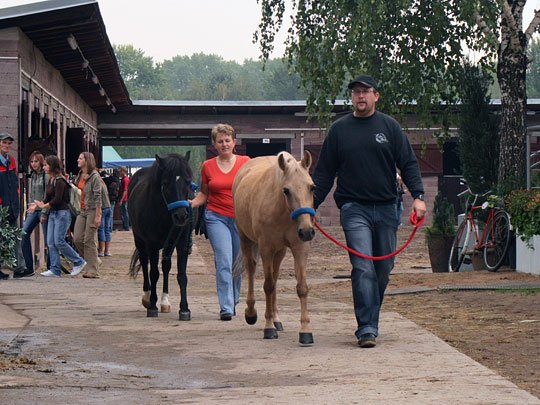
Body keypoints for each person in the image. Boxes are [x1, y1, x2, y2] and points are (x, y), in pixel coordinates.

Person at [312, 75, 427, 348]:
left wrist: (419, 197)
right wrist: (311, 205)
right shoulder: (339, 130)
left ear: (376, 96)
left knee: (383, 268)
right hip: (354, 208)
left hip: (388, 207)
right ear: (352, 98)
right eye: (356, 93)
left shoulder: (389, 127)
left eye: (365, 92)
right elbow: (324, 171)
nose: (360, 97)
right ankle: (366, 328)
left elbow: (408, 163)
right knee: (363, 266)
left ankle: (370, 318)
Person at [189, 123, 250, 321]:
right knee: (223, 260)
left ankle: (233, 299)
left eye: (227, 140)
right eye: (220, 141)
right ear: (214, 144)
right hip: (216, 217)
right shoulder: (207, 166)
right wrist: (192, 203)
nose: (224, 144)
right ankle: (226, 306)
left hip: (241, 219)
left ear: (234, 142)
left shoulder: (246, 162)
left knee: (237, 264)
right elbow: (204, 193)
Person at [35, 155, 86, 277]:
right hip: (53, 213)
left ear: (52, 166)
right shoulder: (51, 180)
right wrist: (38, 204)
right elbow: (48, 197)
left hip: (62, 213)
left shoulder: (60, 181)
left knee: (58, 240)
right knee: (51, 242)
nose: (44, 167)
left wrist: (44, 206)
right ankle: (55, 268)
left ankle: (78, 261)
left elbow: (57, 199)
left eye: (46, 165)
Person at [0, 132, 28, 280]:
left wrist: (16, 200)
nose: (7, 145)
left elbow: (16, 184)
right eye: (4, 142)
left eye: (9, 143)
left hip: (12, 205)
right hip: (1, 206)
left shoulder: (11, 160)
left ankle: (19, 267)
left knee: (15, 236)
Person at [20, 151, 50, 278]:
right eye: (32, 161)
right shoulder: (32, 175)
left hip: (43, 209)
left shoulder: (46, 175)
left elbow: (47, 195)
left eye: (36, 161)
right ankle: (29, 266)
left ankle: (51, 267)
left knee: (49, 239)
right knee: (24, 234)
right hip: (33, 209)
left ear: (41, 161)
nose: (33, 164)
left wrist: (43, 211)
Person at [73, 152, 102, 278]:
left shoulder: (95, 176)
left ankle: (93, 271)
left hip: (92, 209)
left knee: (89, 239)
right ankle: (94, 261)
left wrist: (98, 215)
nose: (78, 160)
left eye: (80, 158)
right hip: (82, 210)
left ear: (87, 160)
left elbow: (98, 196)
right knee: (77, 238)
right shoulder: (80, 174)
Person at [97, 174, 112, 257]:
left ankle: (101, 250)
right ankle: (107, 250)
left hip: (102, 207)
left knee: (101, 229)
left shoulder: (97, 184)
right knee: (107, 229)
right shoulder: (103, 183)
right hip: (108, 207)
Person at [118, 166, 130, 231]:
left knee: (125, 212)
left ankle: (126, 226)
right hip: (125, 198)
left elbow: (125, 190)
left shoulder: (125, 179)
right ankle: (125, 226)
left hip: (124, 198)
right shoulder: (125, 179)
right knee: (124, 212)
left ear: (123, 171)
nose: (119, 172)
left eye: (120, 171)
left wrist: (121, 200)